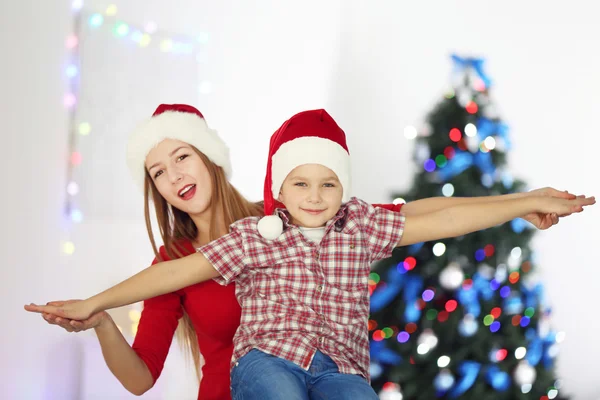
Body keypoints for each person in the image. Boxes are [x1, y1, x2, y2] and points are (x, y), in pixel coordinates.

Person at [28, 109, 594, 399]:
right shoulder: (234, 243)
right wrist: (96, 311)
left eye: (182, 157)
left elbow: (431, 215)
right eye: (157, 171)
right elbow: (143, 368)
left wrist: (524, 202)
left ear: (210, 158)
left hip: (332, 374)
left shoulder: (303, 211)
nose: (173, 177)